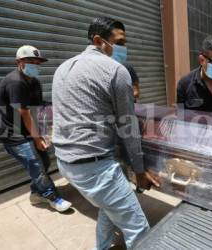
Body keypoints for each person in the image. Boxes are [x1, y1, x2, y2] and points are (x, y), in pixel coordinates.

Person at [52, 17, 160, 250]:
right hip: (95, 168)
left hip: (65, 162)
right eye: (119, 42)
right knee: (138, 229)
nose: (124, 47)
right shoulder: (116, 71)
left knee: (109, 206)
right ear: (99, 41)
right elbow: (128, 128)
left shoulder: (62, 68)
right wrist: (139, 170)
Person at [0, 45, 72, 212]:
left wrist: (60, 108)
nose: (34, 64)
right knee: (36, 164)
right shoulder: (15, 82)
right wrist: (38, 139)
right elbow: (24, 113)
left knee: (44, 161)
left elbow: (37, 107)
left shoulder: (35, 82)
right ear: (18, 62)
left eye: (37, 62)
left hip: (27, 129)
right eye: (30, 61)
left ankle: (36, 194)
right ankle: (51, 196)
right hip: (12, 134)